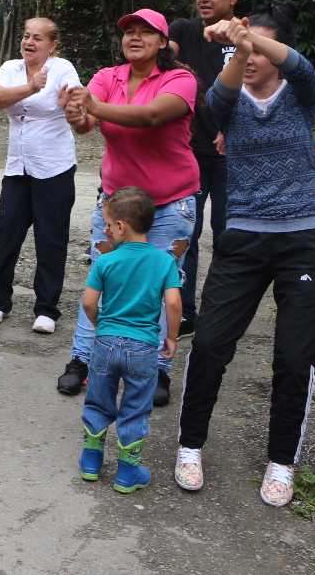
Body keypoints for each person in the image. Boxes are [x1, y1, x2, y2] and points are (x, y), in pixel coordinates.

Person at [175, 12, 315, 508]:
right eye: (242, 52)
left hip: (305, 236)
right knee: (210, 344)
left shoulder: (300, 94)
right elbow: (214, 101)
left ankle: (281, 462)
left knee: (294, 357)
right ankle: (190, 446)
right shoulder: (229, 101)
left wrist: (248, 37)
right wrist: (243, 48)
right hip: (244, 235)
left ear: (277, 55)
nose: (247, 59)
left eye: (260, 52)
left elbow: (305, 69)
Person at [56, 8, 198, 407]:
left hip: (171, 203)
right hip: (116, 203)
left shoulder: (180, 79)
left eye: (145, 33)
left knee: (163, 287)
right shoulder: (107, 77)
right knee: (102, 281)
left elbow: (152, 115)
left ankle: (157, 368)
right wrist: (75, 114)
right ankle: (83, 361)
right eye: (129, 32)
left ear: (162, 41)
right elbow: (86, 122)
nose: (135, 38)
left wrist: (94, 108)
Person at [77, 187, 182, 494]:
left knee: (98, 399)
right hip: (143, 347)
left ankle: (91, 463)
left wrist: (101, 325)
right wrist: (172, 337)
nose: (106, 230)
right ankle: (127, 473)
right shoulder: (163, 262)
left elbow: (88, 302)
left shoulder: (106, 261)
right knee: (136, 407)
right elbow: (174, 303)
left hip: (106, 343)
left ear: (122, 227)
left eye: (108, 225)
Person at [0, 17, 83, 333]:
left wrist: (73, 105)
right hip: (18, 167)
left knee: (51, 238)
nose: (30, 42)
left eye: (38, 38)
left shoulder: (62, 68)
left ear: (52, 45)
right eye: (26, 36)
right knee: (5, 233)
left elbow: (76, 99)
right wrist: (30, 86)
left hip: (54, 167)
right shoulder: (11, 69)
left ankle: (47, 309)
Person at [168, 0, 241, 334]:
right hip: (190, 152)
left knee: (228, 235)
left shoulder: (245, 37)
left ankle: (219, 313)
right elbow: (165, 54)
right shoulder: (183, 30)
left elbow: (257, 81)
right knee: (187, 233)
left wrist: (232, 127)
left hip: (233, 153)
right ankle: (184, 311)